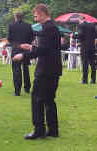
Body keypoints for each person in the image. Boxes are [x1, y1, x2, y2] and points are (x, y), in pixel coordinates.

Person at [13, 3, 62, 140]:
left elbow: (43, 50)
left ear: (41, 13)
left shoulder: (48, 28)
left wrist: (23, 55)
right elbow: (46, 48)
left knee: (37, 99)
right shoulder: (52, 28)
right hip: (53, 69)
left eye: (35, 15)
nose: (35, 19)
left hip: (46, 70)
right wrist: (31, 47)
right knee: (49, 100)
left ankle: (38, 130)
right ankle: (53, 130)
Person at [7, 12, 33, 96]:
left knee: (16, 70)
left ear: (15, 17)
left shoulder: (11, 25)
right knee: (26, 69)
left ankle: (17, 91)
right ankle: (27, 88)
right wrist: (26, 44)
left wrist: (16, 44)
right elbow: (31, 38)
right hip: (26, 49)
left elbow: (9, 39)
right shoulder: (28, 26)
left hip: (16, 49)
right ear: (22, 17)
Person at [73, 16, 97, 84]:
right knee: (92, 64)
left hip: (84, 47)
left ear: (80, 19)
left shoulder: (81, 25)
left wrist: (73, 36)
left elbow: (80, 35)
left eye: (78, 21)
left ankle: (85, 80)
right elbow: (96, 36)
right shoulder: (92, 25)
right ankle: (93, 80)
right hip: (92, 47)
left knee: (85, 63)